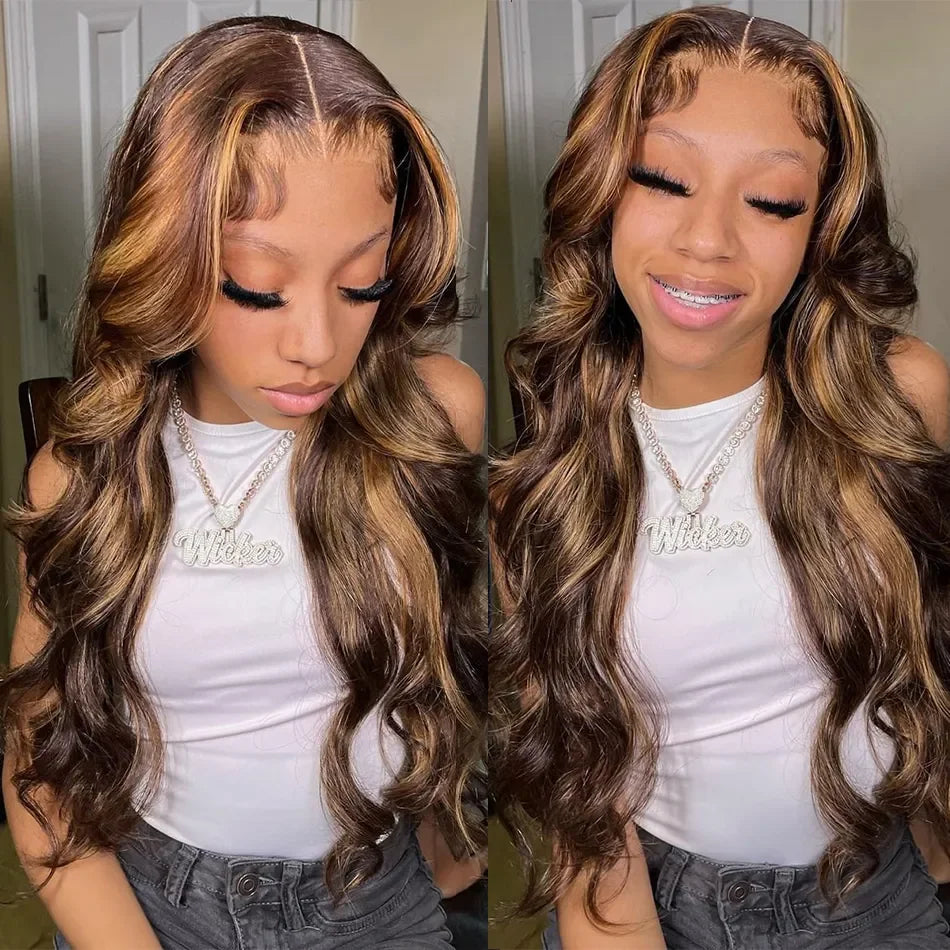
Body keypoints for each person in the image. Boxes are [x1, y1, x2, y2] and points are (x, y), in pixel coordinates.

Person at [1, 16, 486, 950]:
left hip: (372, 900)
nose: (316, 345)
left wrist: (447, 833)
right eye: (260, 287)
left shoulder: (436, 420)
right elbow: (41, 770)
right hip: (149, 902)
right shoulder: (82, 475)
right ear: (166, 258)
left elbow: (464, 658)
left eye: (361, 283)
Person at [490, 6, 950, 949]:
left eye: (772, 202)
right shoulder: (538, 486)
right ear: (602, 193)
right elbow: (583, 802)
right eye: (663, 180)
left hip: (878, 892)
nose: (708, 241)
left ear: (820, 227)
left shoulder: (901, 399)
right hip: (662, 904)